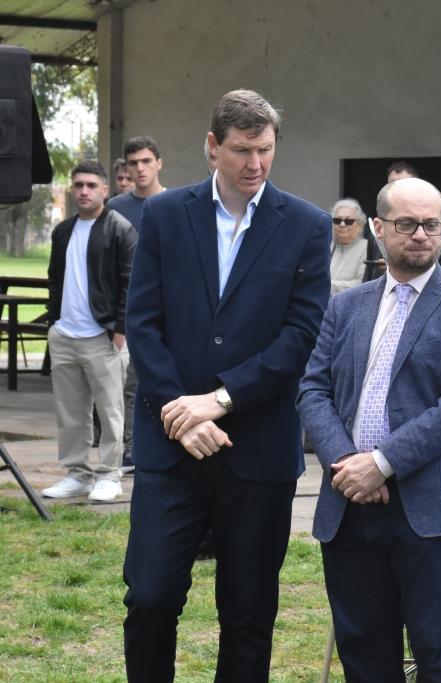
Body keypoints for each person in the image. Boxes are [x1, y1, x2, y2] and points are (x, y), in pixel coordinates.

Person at [122, 89, 331, 682]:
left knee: (248, 614)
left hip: (257, 447)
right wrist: (178, 413)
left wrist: (219, 400)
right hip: (170, 445)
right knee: (152, 597)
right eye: (242, 150)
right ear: (212, 147)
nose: (255, 164)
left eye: (265, 150)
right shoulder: (164, 216)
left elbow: (301, 334)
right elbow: (143, 321)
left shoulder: (307, 227)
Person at [298, 177, 441, 682]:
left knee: (440, 658)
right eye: (407, 224)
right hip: (349, 508)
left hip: (433, 513)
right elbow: (312, 390)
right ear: (378, 228)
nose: (420, 235)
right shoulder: (346, 306)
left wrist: (381, 464)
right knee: (363, 656)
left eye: (431, 224)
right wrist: (348, 466)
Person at [42, 161, 136, 503]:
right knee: (70, 409)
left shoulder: (120, 229)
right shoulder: (63, 230)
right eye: (78, 185)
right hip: (65, 335)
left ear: (105, 190)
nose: (83, 191)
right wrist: (53, 323)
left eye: (91, 185)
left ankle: (110, 473)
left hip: (103, 336)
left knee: (110, 409)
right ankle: (77, 473)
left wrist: (120, 328)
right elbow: (54, 278)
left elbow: (130, 282)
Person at [107, 136, 167, 474]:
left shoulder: (177, 203)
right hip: (127, 312)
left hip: (169, 311)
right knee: (125, 385)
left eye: (146, 161)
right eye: (134, 163)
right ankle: (128, 448)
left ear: (159, 163)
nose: (140, 168)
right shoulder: (115, 209)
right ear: (126, 168)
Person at [329, 198, 369, 295]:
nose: (342, 224)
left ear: (360, 225)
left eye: (349, 221)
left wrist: (326, 285)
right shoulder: (325, 245)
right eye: (337, 220)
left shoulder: (367, 247)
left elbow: (362, 284)